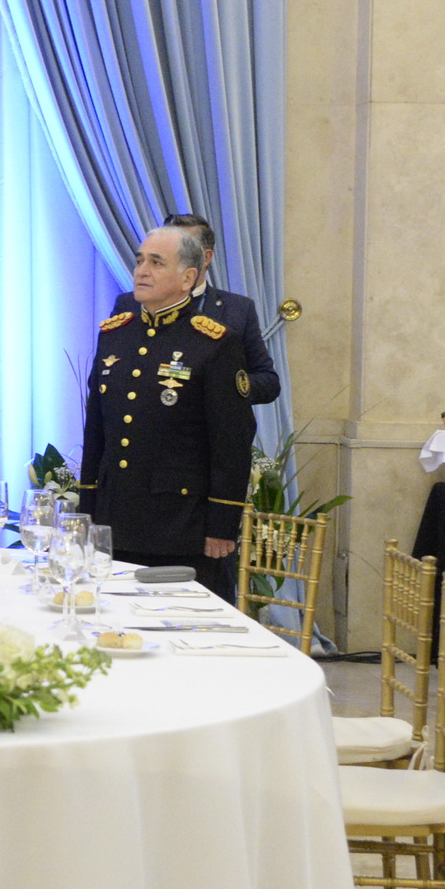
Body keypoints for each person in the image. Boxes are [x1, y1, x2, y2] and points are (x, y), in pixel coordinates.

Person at [77, 225, 254, 600]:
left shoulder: (214, 343)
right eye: (140, 260)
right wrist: (88, 507)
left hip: (180, 524)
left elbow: (232, 441)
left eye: (156, 263)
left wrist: (222, 523)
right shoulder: (115, 333)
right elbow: (97, 428)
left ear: (188, 277)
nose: (142, 270)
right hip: (115, 518)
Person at [107, 212, 281, 406]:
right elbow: (106, 373)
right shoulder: (129, 305)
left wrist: (220, 387)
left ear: (205, 258)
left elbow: (268, 382)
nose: (143, 271)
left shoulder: (237, 309)